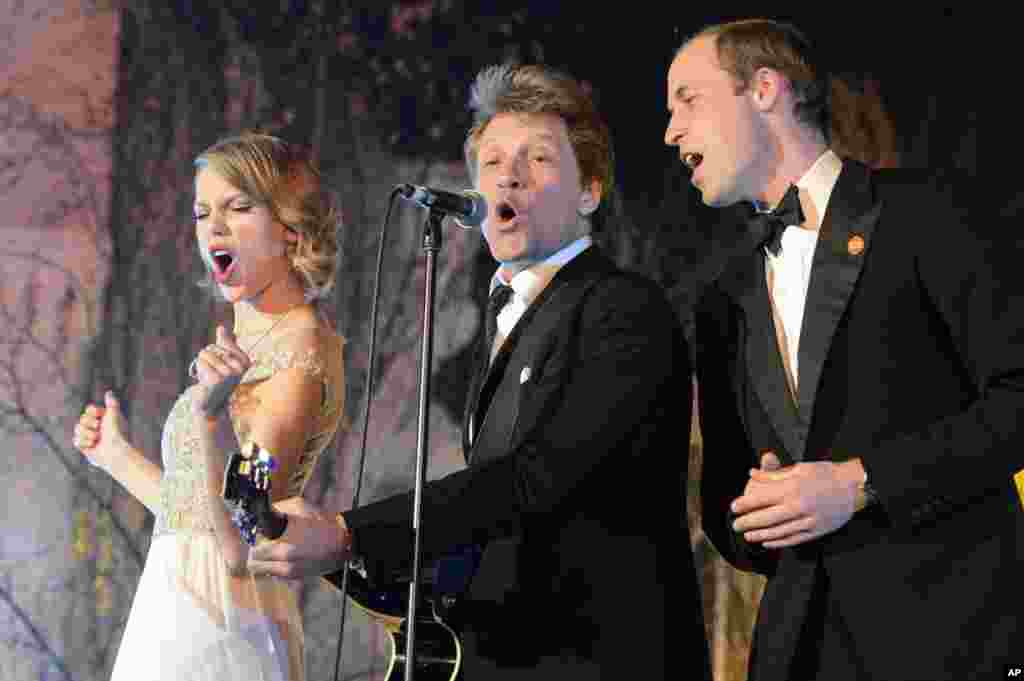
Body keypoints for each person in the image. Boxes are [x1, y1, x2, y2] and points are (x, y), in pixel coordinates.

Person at [248, 63, 711, 680]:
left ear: (589, 192)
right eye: (492, 163)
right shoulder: (512, 317)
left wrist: (350, 533)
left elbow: (540, 478)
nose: (508, 175)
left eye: (538, 159)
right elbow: (496, 526)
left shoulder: (622, 309)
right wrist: (334, 551)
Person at [665, 18, 1023, 681]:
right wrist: (762, 509)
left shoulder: (925, 213)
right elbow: (724, 507)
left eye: (688, 99)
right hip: (797, 650)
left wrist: (859, 483)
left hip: (951, 639)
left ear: (765, 89)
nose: (671, 132)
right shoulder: (720, 297)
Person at [73, 132, 346, 681]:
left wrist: (211, 416)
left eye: (239, 207)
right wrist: (116, 458)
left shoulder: (300, 352)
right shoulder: (248, 340)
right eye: (203, 213)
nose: (214, 228)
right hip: (175, 610)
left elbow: (244, 537)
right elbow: (194, 514)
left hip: (225, 629)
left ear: (290, 229)